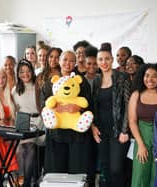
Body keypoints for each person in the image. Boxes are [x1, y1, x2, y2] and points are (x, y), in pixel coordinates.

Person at [42, 51, 93, 181]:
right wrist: (61, 108)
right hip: (56, 134)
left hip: (77, 135)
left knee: (76, 174)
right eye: (65, 60)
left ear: (75, 63)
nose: (67, 63)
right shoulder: (51, 82)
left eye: (71, 60)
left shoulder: (81, 82)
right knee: (56, 173)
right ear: (59, 61)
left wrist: (78, 107)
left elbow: (89, 103)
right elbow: (45, 104)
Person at [91, 43, 131, 187]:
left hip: (118, 131)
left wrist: (125, 130)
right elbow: (93, 107)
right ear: (97, 62)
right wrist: (93, 127)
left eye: (107, 59)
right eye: (100, 59)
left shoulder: (122, 77)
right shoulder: (96, 80)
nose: (104, 62)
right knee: (105, 168)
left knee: (116, 168)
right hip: (101, 131)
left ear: (112, 59)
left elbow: (128, 105)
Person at [128, 63, 157, 187]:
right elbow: (132, 121)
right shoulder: (136, 94)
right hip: (142, 138)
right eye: (147, 75)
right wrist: (140, 145)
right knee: (140, 175)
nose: (150, 79)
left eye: (154, 76)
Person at [12, 59, 40, 187]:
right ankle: (24, 181)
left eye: (28, 71)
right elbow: (14, 110)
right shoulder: (15, 90)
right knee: (22, 148)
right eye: (22, 72)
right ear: (18, 74)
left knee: (30, 147)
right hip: (24, 124)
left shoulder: (38, 86)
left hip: (39, 123)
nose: (25, 74)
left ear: (32, 72)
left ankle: (27, 182)